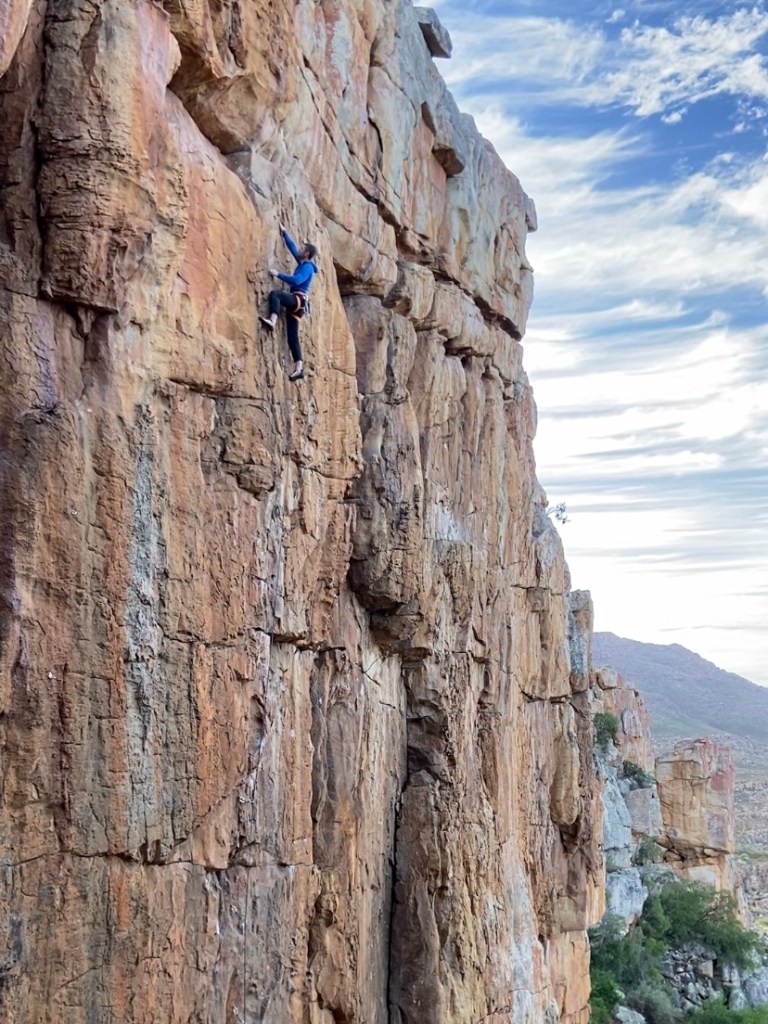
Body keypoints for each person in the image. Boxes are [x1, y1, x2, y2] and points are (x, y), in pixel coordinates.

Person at [259, 224, 318, 382]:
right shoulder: (304, 263)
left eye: (302, 248)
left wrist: (278, 274)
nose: (299, 248)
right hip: (299, 304)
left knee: (276, 294)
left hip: (298, 300)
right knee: (292, 336)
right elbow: (292, 248)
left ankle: (272, 320)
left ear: (306, 253)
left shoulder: (308, 268)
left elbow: (297, 280)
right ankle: (299, 368)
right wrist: (284, 232)